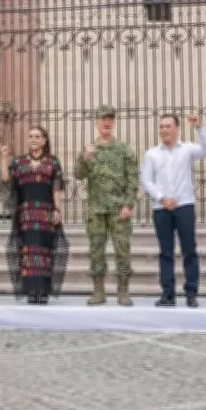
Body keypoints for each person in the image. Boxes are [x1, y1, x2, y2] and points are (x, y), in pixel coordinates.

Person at [140, 113, 206, 308]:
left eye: (167, 126)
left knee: (189, 250)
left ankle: (191, 293)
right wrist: (163, 197)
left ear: (177, 129)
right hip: (161, 208)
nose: (163, 130)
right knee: (166, 252)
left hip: (185, 206)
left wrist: (199, 128)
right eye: (161, 126)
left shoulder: (187, 150)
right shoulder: (152, 154)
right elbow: (146, 180)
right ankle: (168, 293)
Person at [74, 105, 138, 307]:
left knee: (123, 250)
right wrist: (85, 159)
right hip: (96, 210)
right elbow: (78, 174)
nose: (107, 122)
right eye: (103, 119)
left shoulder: (123, 149)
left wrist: (128, 204)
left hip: (119, 209)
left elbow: (133, 178)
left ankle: (123, 291)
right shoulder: (89, 149)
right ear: (96, 122)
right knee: (96, 251)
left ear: (114, 122)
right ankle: (99, 291)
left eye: (110, 118)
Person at [0, 126, 70, 305]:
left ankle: (43, 291)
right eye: (30, 136)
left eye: (37, 136)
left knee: (45, 252)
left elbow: (56, 188)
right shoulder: (19, 162)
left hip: (45, 215)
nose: (33, 139)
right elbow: (6, 179)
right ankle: (31, 290)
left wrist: (57, 210)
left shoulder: (52, 162)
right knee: (28, 253)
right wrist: (3, 157)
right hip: (25, 215)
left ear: (44, 140)